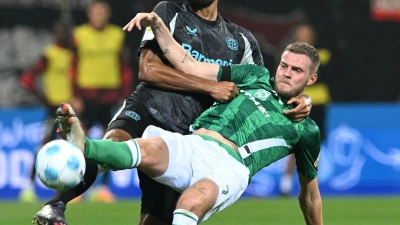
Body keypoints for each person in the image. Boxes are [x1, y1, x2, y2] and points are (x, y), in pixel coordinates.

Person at [32, 1, 311, 225]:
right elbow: (148, 69)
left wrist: (301, 99)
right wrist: (209, 87)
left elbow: (264, 89)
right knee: (115, 143)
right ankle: (55, 206)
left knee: (157, 217)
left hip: (187, 136)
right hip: (150, 106)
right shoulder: (166, 12)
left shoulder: (242, 40)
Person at [70, 0, 134, 203]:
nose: (99, 16)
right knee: (80, 142)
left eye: (103, 12)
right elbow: (72, 66)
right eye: (96, 12)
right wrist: (74, 95)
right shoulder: (79, 35)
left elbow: (125, 66)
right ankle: (78, 186)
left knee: (110, 141)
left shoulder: (117, 34)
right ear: (90, 14)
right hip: (86, 95)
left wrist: (125, 94)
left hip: (109, 95)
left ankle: (104, 188)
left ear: (108, 15)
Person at [18, 20, 73, 203]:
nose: (62, 35)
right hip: (54, 108)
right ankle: (29, 186)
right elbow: (27, 79)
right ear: (54, 34)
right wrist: (44, 98)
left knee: (75, 148)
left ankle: (74, 188)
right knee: (45, 146)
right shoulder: (49, 55)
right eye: (59, 32)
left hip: (72, 107)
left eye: (64, 32)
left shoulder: (72, 56)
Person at [279, 24, 331, 197]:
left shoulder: (323, 56)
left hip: (319, 104)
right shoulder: (290, 60)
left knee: (314, 145)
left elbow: (331, 78)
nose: (304, 37)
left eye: (307, 34)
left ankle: (311, 187)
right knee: (294, 144)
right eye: (301, 34)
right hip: (297, 104)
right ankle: (285, 184)